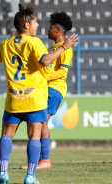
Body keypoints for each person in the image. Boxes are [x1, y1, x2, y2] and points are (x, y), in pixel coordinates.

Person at [0, 4, 78, 184]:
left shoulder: (6, 43)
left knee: (6, 134)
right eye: (36, 22)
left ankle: (3, 173)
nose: (39, 26)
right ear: (27, 24)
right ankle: (30, 176)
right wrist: (64, 47)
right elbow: (45, 61)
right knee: (34, 136)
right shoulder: (35, 43)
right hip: (35, 97)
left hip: (14, 97)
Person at [21, 11, 74, 170]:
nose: (47, 30)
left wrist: (43, 78)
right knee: (36, 122)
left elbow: (62, 73)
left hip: (54, 89)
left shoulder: (65, 48)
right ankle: (38, 160)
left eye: (51, 27)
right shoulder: (53, 47)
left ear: (58, 29)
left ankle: (45, 160)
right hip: (45, 88)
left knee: (42, 121)